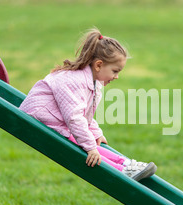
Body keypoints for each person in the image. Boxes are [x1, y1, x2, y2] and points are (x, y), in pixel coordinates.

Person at [19, 28, 157, 181]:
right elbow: (75, 118)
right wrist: (90, 147)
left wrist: (96, 133)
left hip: (57, 119)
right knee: (85, 146)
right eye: (115, 71)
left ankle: (125, 163)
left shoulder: (95, 82)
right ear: (98, 65)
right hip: (39, 119)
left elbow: (86, 114)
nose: (116, 77)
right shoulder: (73, 82)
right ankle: (121, 170)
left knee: (91, 144)